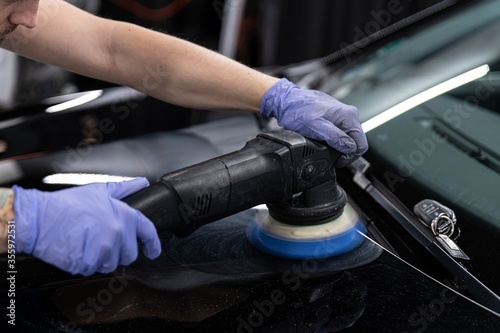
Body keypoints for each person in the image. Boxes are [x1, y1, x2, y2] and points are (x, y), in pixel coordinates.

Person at [0, 0, 368, 276]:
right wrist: (21, 222)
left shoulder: (17, 14)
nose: (30, 18)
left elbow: (110, 46)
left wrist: (274, 94)